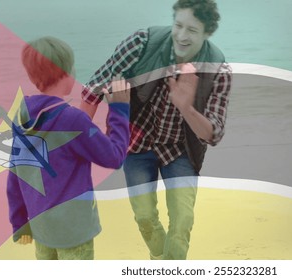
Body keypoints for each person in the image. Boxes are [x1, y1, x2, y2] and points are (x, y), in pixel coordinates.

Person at [80, 0, 232, 260]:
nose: (182, 37)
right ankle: (160, 259)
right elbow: (94, 89)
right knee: (145, 217)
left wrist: (187, 109)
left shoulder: (219, 70)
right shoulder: (141, 43)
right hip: (136, 143)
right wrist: (75, 143)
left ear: (207, 33)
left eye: (193, 31)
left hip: (181, 150)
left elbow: (213, 134)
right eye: (179, 25)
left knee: (182, 222)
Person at [7, 36, 130, 260]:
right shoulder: (73, 120)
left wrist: (18, 222)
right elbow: (114, 157)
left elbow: (15, 172)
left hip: (40, 226)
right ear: (66, 73)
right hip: (73, 230)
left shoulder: (21, 115)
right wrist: (120, 109)